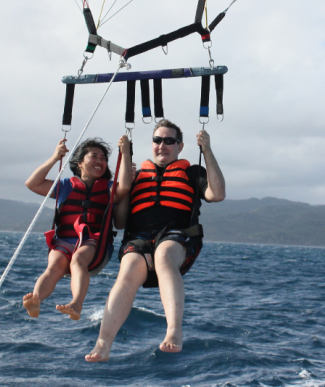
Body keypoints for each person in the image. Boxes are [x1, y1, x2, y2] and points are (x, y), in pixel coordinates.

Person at [86, 119, 226, 362]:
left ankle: (174, 329)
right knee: (128, 269)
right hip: (139, 238)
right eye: (157, 140)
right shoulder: (138, 175)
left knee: (163, 254)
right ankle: (103, 343)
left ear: (180, 146)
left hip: (177, 235)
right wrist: (125, 186)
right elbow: (119, 222)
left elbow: (218, 194)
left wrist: (207, 150)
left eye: (169, 141)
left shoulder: (193, 172)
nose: (162, 145)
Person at [22, 137, 115, 321]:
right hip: (64, 241)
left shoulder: (110, 188)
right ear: (80, 163)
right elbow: (32, 183)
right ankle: (36, 300)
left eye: (103, 158)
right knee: (55, 265)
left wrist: (127, 161)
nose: (100, 161)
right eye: (94, 156)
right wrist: (55, 158)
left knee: (79, 258)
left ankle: (77, 303)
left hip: (94, 243)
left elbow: (126, 189)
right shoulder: (66, 186)